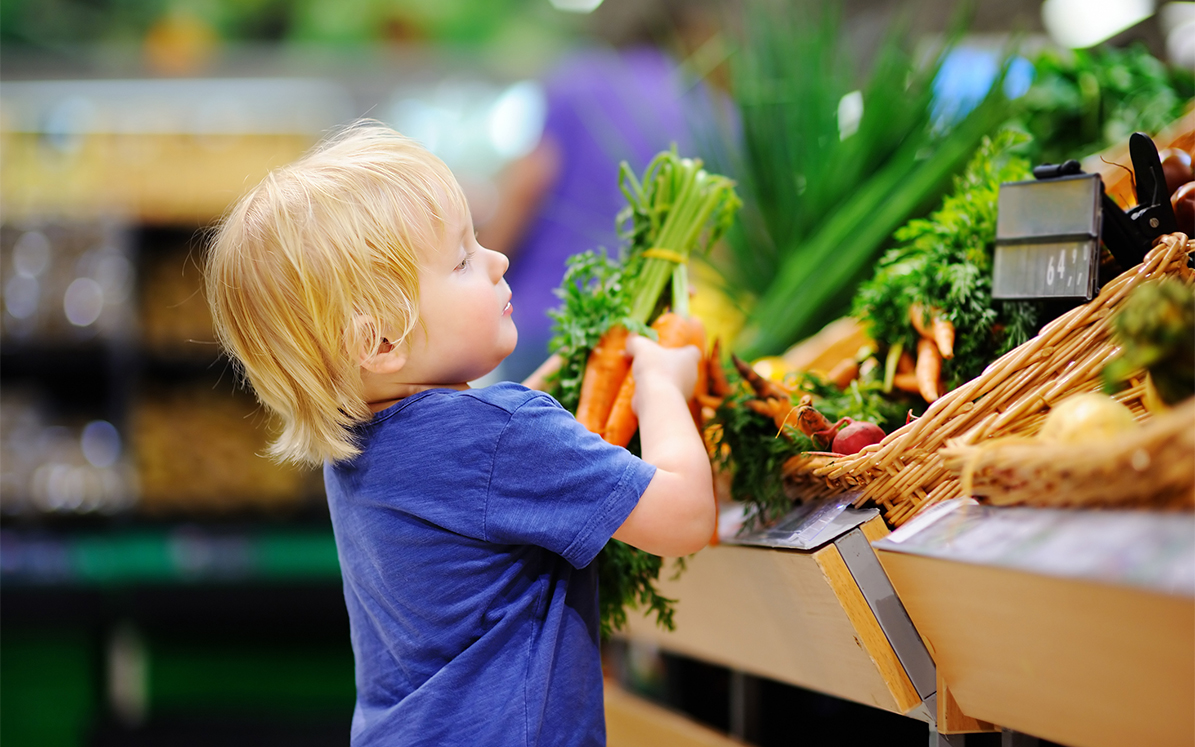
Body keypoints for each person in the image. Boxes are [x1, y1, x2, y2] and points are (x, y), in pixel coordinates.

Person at [204, 121, 715, 746]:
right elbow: (685, 517)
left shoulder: (361, 446)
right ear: (381, 341)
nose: (498, 260)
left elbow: (488, 470)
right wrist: (661, 383)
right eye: (463, 259)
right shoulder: (499, 435)